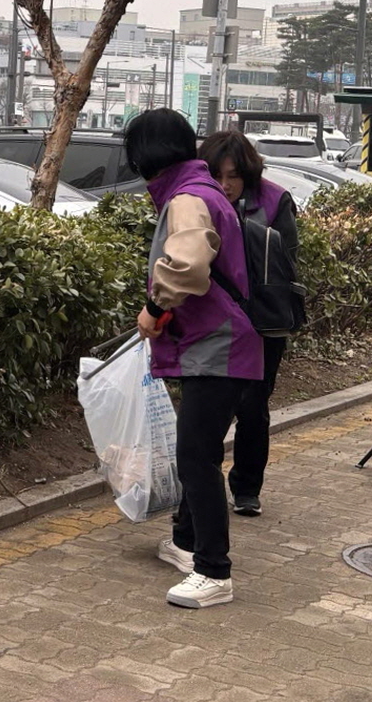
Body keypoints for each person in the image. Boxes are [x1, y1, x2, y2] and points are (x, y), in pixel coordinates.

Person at [124, 109, 263, 610]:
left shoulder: (186, 199)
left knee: (197, 460)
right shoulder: (201, 190)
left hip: (218, 346)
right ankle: (186, 544)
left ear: (144, 156)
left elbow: (187, 264)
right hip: (220, 344)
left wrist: (154, 307)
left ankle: (214, 571)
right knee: (198, 452)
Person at [200, 130, 299, 519]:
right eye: (218, 176)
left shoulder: (275, 201)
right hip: (213, 323)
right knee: (210, 410)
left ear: (249, 174)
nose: (225, 186)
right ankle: (198, 492)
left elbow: (285, 263)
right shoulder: (198, 200)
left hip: (261, 322)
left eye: (234, 177)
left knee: (253, 407)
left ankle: (246, 488)